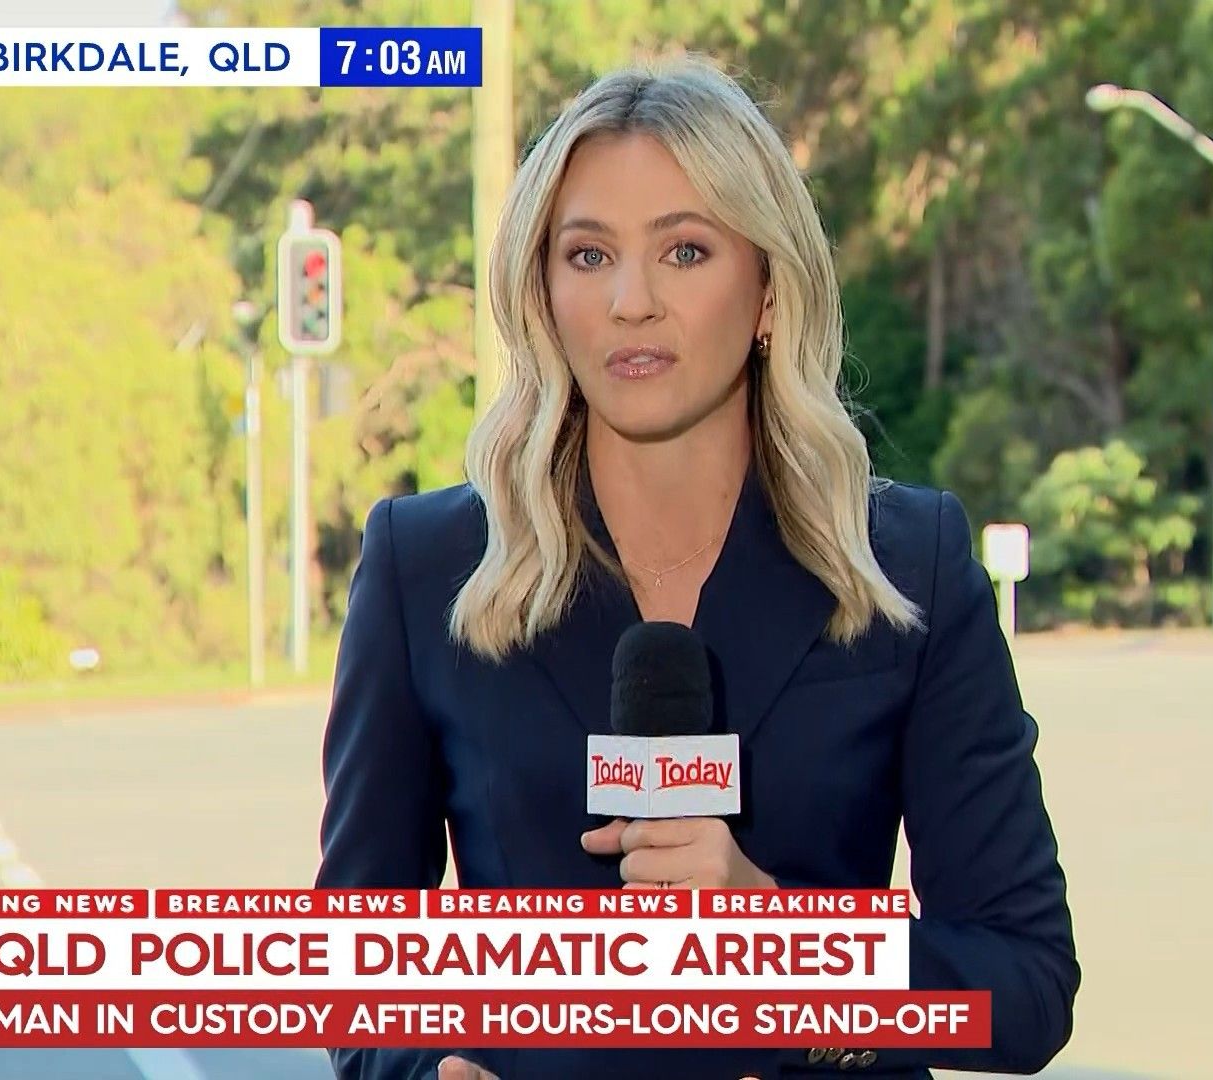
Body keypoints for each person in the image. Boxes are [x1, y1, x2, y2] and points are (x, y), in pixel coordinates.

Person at [315, 54, 1078, 1080]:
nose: (631, 301)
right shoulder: (428, 568)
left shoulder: (908, 565)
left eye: (684, 250)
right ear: (542, 292)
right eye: (588, 255)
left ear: (767, 290)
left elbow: (1025, 987)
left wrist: (784, 947)